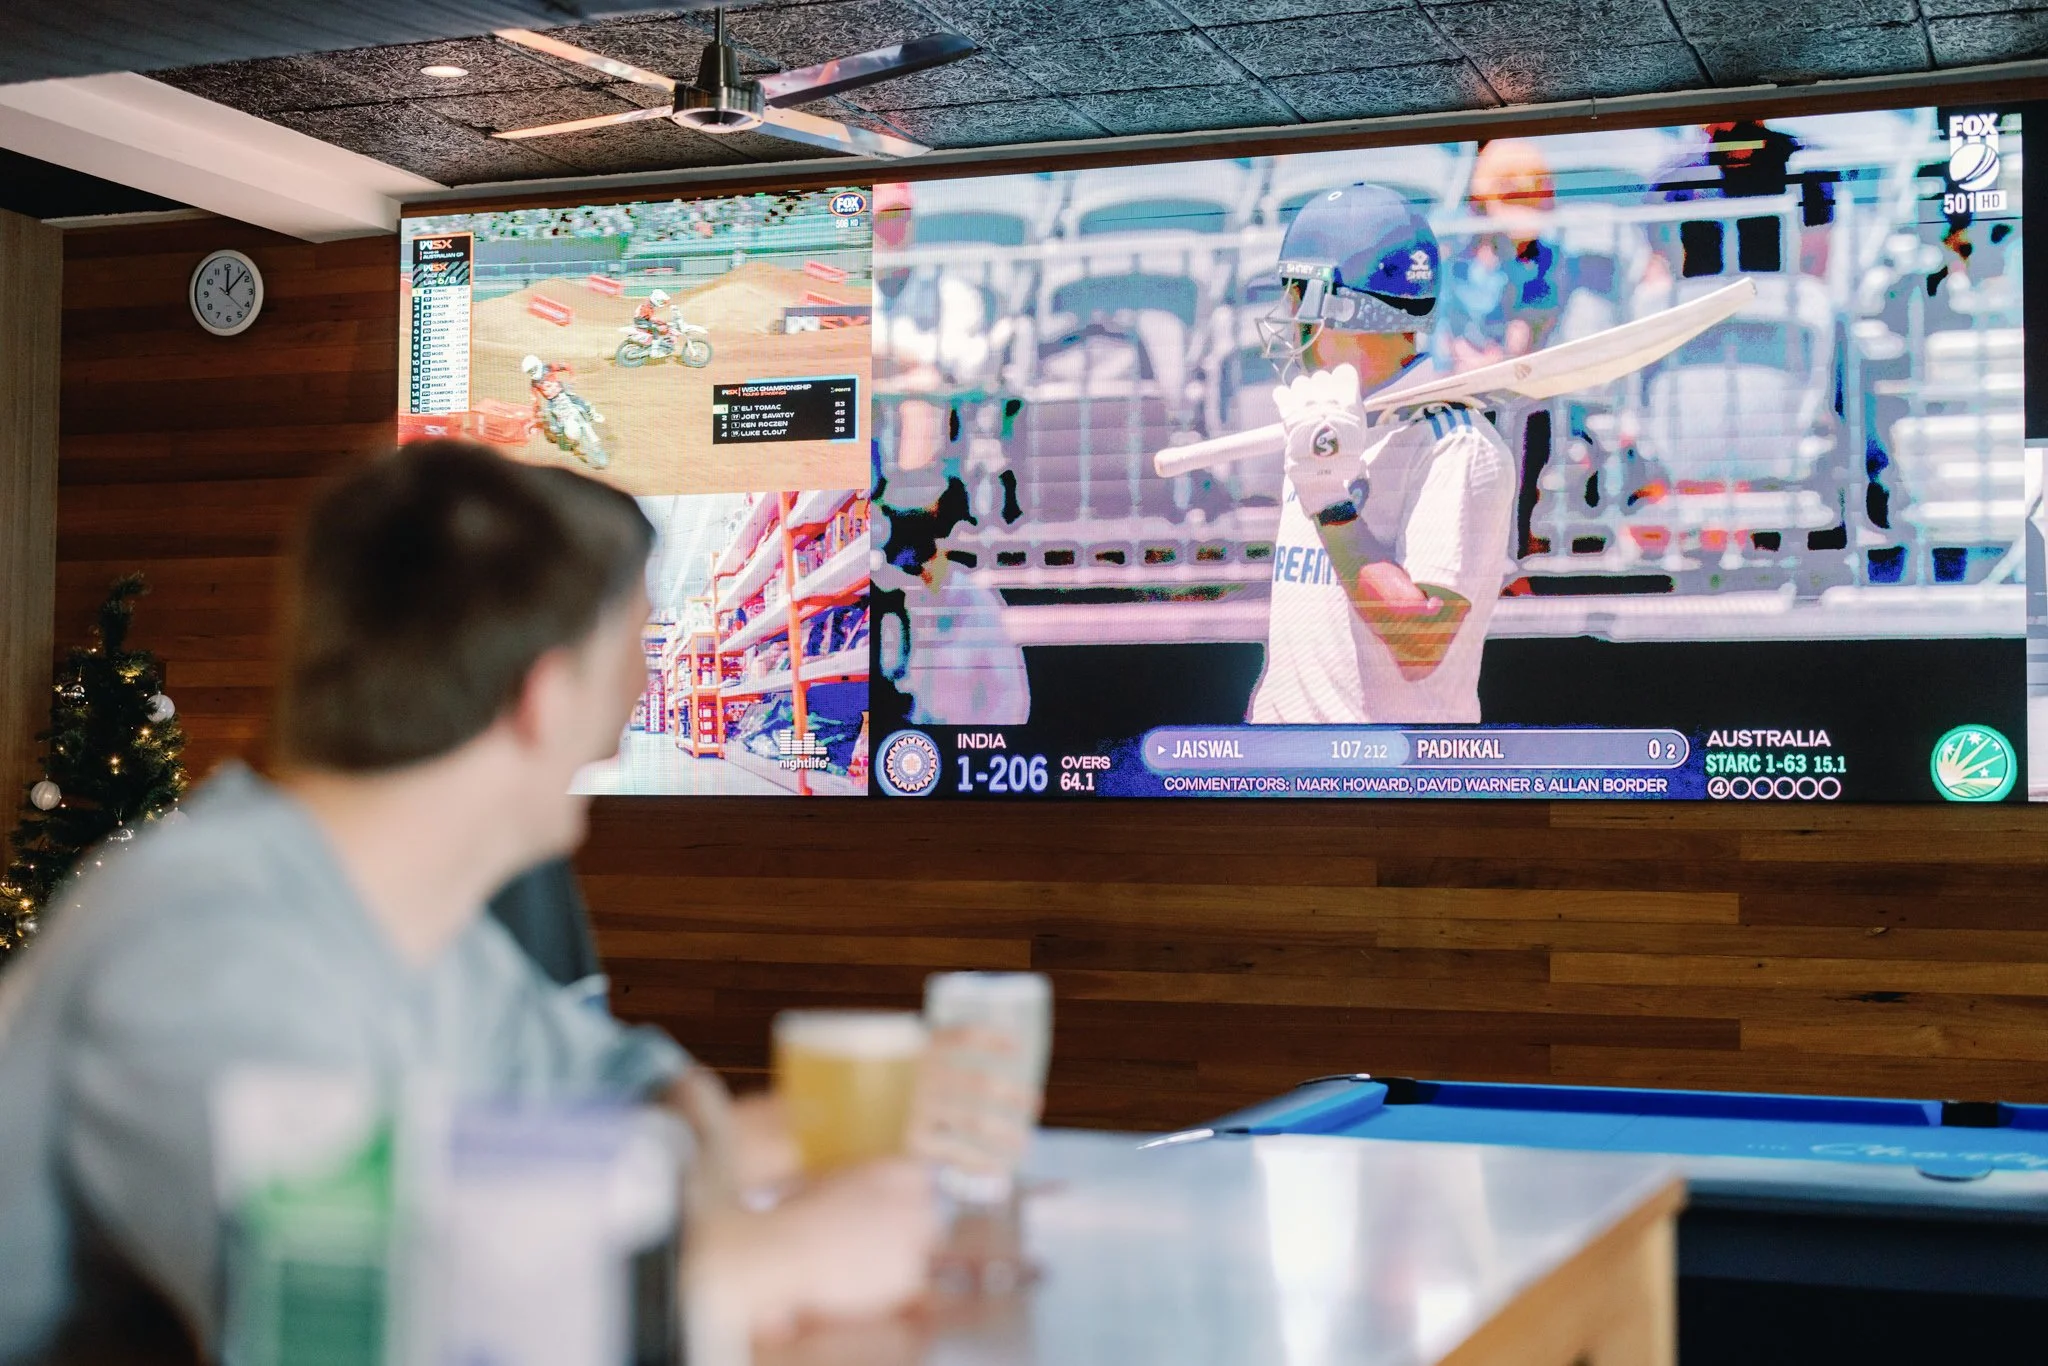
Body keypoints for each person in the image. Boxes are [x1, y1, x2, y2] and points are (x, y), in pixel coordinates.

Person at [0, 441, 932, 1363]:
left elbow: (620, 1091)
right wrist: (758, 1266)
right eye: (631, 655)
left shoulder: (412, 925)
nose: (637, 701)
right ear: (542, 695)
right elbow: (333, 1337)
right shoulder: (204, 941)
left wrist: (695, 1155)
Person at [1248, 183, 1516, 725]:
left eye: (1298, 291)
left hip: (1384, 790)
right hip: (1279, 776)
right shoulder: (1319, 420)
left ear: (1338, 306)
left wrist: (1327, 499)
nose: (1289, 312)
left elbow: (1420, 643)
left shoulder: (1457, 445)